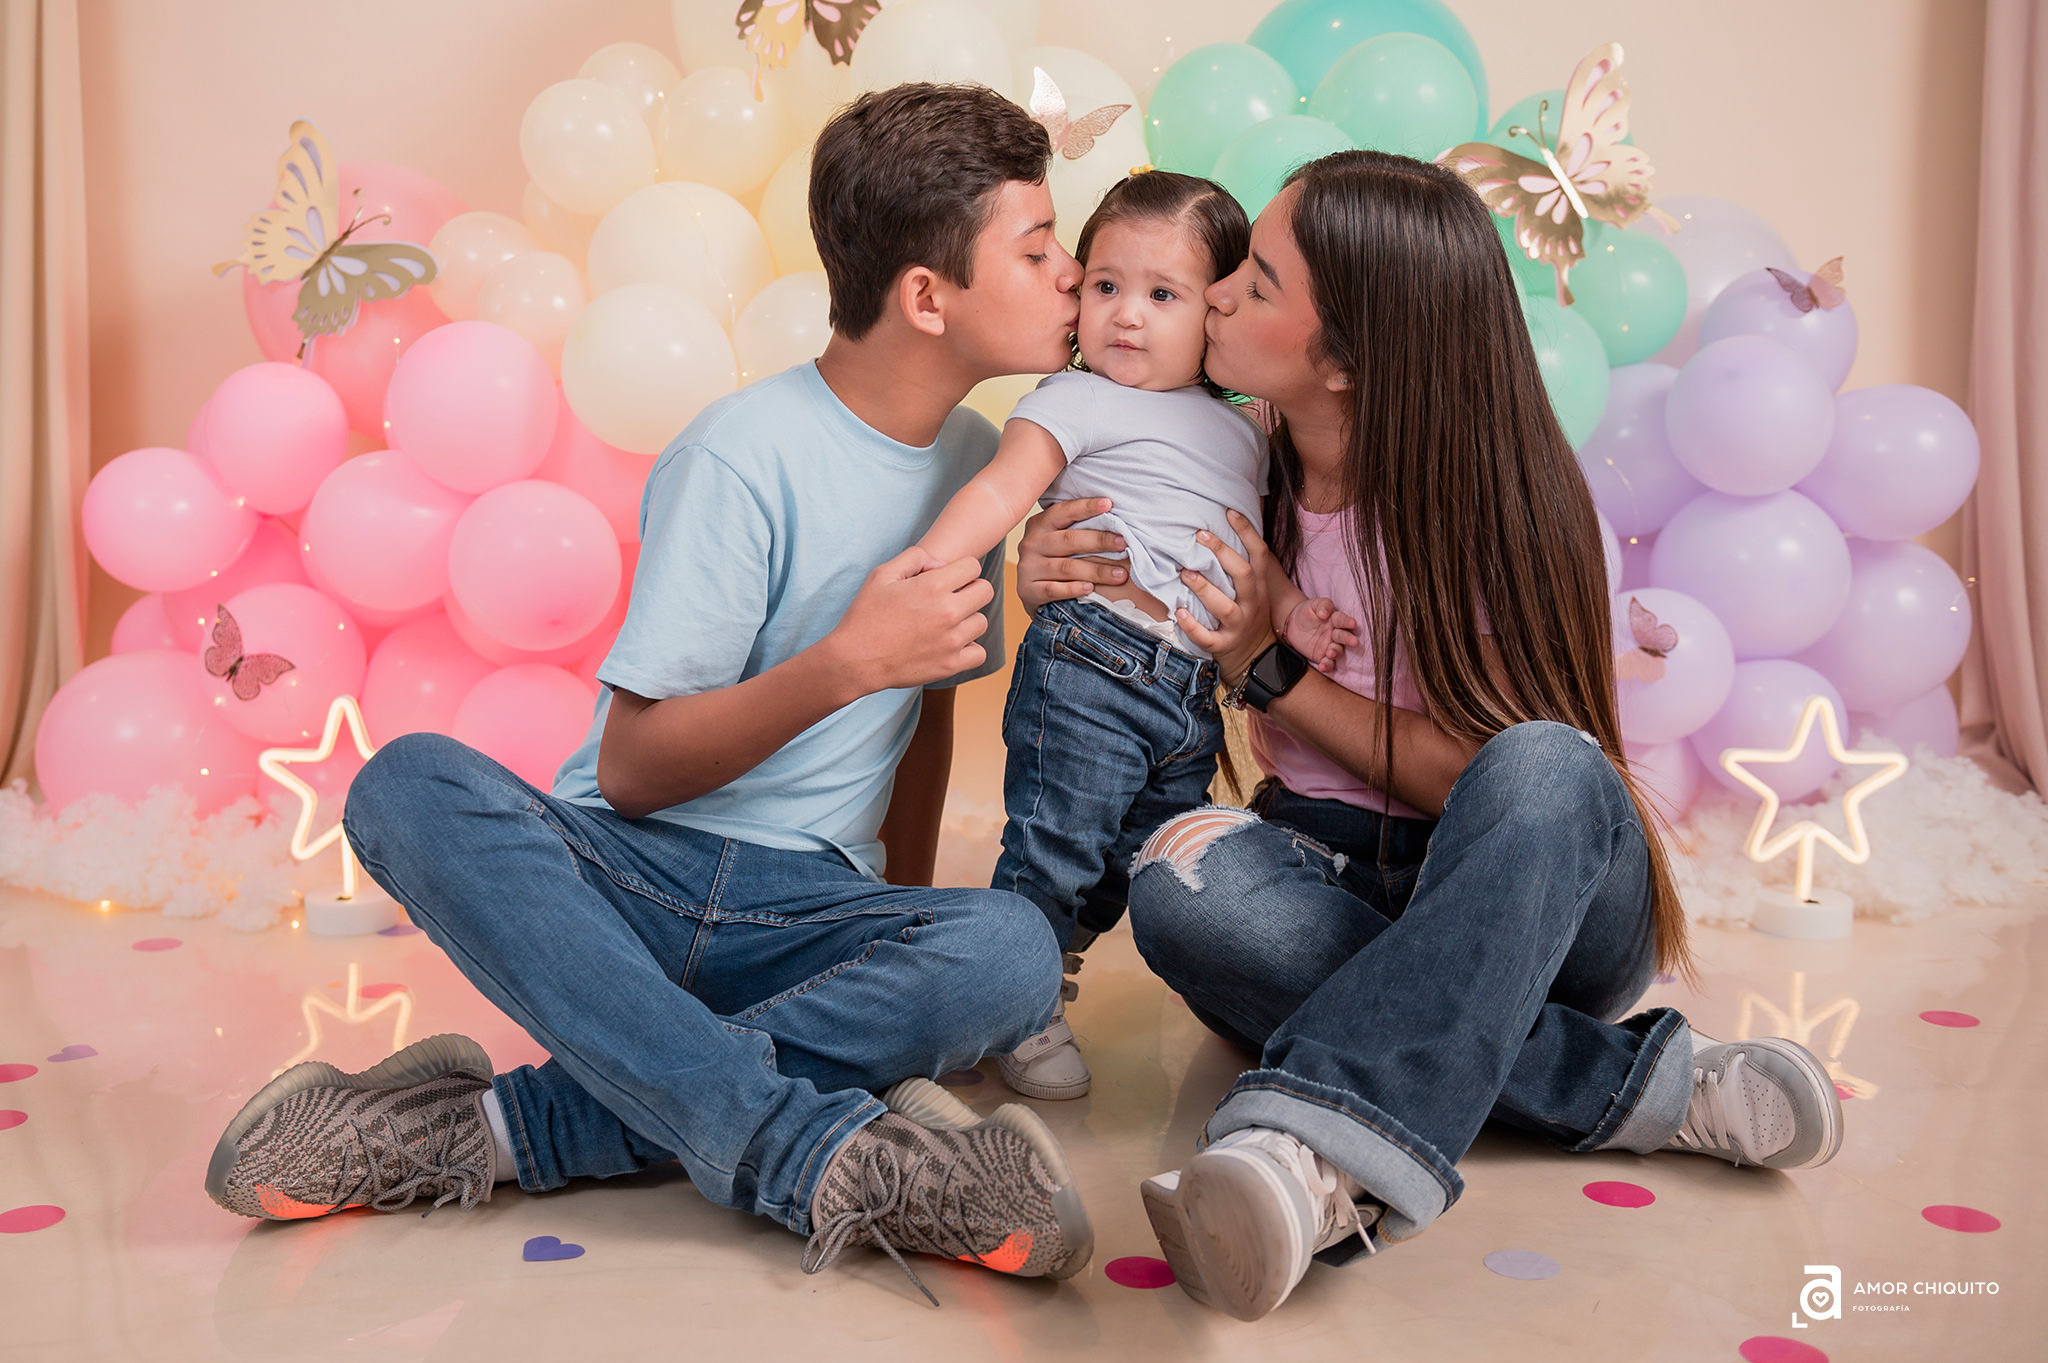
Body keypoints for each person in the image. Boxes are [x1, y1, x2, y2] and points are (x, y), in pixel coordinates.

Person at [202, 84, 1099, 1305]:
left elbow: (922, 719)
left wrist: (897, 930)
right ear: (926, 297)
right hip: (633, 885)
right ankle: (814, 1152)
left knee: (1007, 949)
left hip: (803, 916)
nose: (1070, 273)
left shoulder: (977, 469)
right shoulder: (741, 452)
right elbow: (632, 771)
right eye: (1038, 250)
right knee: (407, 784)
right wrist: (844, 662)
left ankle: (495, 1128)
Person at [1015, 149, 1844, 1322]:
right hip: (1322, 871)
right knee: (1178, 885)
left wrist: (1270, 669)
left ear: (1345, 360)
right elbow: (1113, 584)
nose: (1215, 294)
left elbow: (1476, 776)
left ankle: (1311, 1158)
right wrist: (1049, 571)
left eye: (1255, 282)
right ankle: (1647, 1086)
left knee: (1543, 762)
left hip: (1535, 901)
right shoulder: (1223, 455)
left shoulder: (1506, 501)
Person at [913, 170, 1354, 1102]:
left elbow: (1243, 546)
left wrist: (1292, 612)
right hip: (1093, 666)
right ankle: (1014, 1002)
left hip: (1190, 697)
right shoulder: (1076, 397)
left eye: (1163, 295)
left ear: (1216, 309)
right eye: (1106, 285)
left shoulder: (1244, 432)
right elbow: (1002, 488)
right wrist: (939, 564)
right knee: (1056, 844)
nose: (1126, 315)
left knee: (1138, 864)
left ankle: (1035, 966)